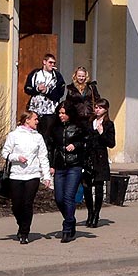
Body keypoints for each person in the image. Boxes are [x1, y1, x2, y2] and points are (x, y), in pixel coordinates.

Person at [0, 112, 52, 244]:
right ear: (27, 120)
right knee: (16, 205)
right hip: (16, 174)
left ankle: (24, 233)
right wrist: (16, 157)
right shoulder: (14, 135)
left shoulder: (38, 137)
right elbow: (5, 152)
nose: (37, 121)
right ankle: (21, 224)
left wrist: (46, 176)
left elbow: (43, 157)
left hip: (33, 175)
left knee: (28, 204)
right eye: (35, 119)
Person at [46, 102, 91, 242]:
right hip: (60, 166)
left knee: (68, 197)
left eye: (64, 113)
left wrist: (75, 145)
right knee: (59, 198)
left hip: (74, 165)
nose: (61, 116)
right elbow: (51, 147)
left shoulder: (78, 127)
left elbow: (87, 142)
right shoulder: (55, 128)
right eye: (59, 113)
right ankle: (70, 219)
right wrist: (51, 165)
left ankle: (67, 228)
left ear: (70, 114)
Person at [83, 98, 116, 228]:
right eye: (96, 107)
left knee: (98, 187)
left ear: (106, 109)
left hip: (100, 158)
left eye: (100, 108)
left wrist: (102, 133)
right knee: (86, 186)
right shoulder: (90, 122)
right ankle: (90, 212)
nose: (97, 110)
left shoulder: (109, 124)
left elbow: (111, 143)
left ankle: (96, 214)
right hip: (88, 157)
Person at [23, 53, 65, 142]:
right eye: (50, 62)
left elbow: (60, 93)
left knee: (47, 136)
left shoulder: (57, 76)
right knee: (33, 134)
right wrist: (37, 89)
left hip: (50, 111)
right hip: (35, 110)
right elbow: (27, 88)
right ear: (44, 62)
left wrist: (47, 91)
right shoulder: (35, 73)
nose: (52, 65)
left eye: (54, 63)